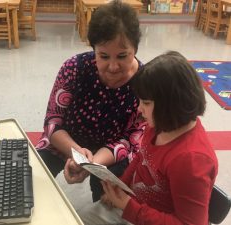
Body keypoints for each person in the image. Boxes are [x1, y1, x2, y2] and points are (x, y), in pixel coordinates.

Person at [78, 51, 218, 225]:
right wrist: (121, 185)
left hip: (144, 215)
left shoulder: (191, 160)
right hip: (136, 208)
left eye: (146, 103)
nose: (139, 109)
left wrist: (130, 207)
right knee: (75, 218)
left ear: (170, 104)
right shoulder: (160, 125)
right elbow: (141, 158)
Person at [36, 0, 146, 201]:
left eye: (122, 56)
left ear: (135, 49)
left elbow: (131, 139)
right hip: (66, 141)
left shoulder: (145, 83)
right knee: (31, 177)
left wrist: (92, 163)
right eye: (103, 56)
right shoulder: (74, 68)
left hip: (112, 152)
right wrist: (77, 153)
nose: (113, 66)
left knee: (111, 201)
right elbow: (53, 123)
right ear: (93, 49)